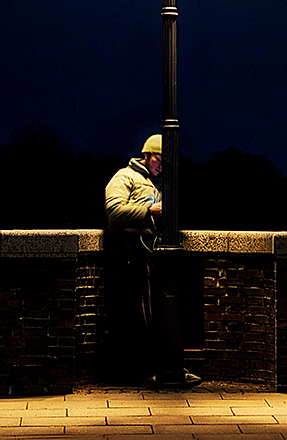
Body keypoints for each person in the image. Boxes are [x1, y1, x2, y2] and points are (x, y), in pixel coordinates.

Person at [104, 134, 199, 387]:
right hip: (130, 253)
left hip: (150, 253)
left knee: (158, 313)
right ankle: (144, 370)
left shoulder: (153, 184)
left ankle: (166, 366)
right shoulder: (125, 177)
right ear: (147, 155)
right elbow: (114, 212)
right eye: (159, 159)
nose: (162, 165)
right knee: (140, 314)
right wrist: (150, 211)